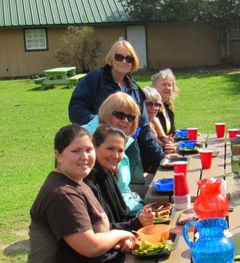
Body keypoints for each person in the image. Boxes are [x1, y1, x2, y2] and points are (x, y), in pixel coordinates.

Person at [27, 125, 137, 263]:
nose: (84, 157)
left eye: (88, 150)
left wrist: (118, 239)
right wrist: (121, 233)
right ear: (58, 155)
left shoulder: (77, 183)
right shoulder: (62, 195)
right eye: (76, 151)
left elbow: (96, 233)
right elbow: (90, 246)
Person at [68, 39, 168, 169]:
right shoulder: (93, 80)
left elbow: (144, 130)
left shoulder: (135, 90)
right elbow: (76, 111)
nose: (124, 61)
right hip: (97, 149)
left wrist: (163, 159)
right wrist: (105, 127)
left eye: (129, 58)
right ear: (111, 58)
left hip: (126, 152)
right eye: (119, 57)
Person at [84, 93, 150, 216]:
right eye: (120, 115)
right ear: (107, 113)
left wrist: (141, 207)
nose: (125, 121)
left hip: (125, 208)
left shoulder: (118, 139)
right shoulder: (87, 142)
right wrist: (139, 213)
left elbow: (123, 189)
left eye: (131, 117)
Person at [85, 125, 155, 232]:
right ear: (94, 147)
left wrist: (142, 216)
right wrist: (136, 223)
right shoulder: (88, 181)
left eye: (120, 151)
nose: (116, 156)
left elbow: (122, 215)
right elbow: (98, 229)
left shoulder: (108, 173)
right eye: (110, 149)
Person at [151, 68, 179, 135]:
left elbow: (172, 132)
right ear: (154, 87)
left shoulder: (168, 105)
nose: (167, 88)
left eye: (169, 85)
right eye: (164, 84)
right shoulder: (151, 107)